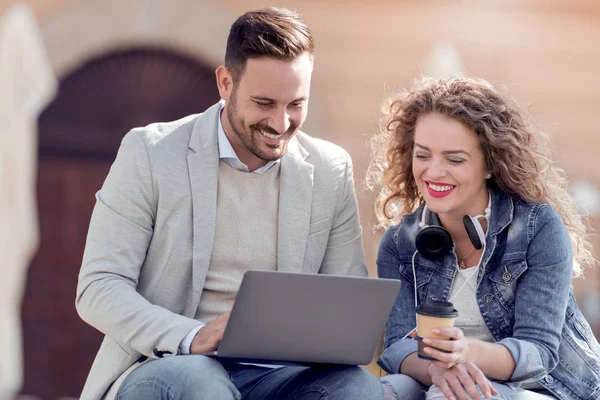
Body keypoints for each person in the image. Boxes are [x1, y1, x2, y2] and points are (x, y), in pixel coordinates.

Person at [76, 7, 383, 400]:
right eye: (264, 103)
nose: (280, 123)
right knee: (202, 381)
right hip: (167, 365)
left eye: (296, 104)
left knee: (357, 389)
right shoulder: (150, 152)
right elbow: (98, 288)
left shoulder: (330, 169)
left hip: (281, 377)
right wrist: (193, 336)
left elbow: (348, 302)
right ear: (225, 83)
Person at [367, 76, 600, 400]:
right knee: (381, 391)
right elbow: (396, 348)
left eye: (454, 159)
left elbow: (538, 353)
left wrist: (465, 354)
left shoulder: (538, 228)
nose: (433, 172)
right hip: (441, 378)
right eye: (423, 155)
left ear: (490, 164)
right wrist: (439, 369)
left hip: (545, 389)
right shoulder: (399, 243)